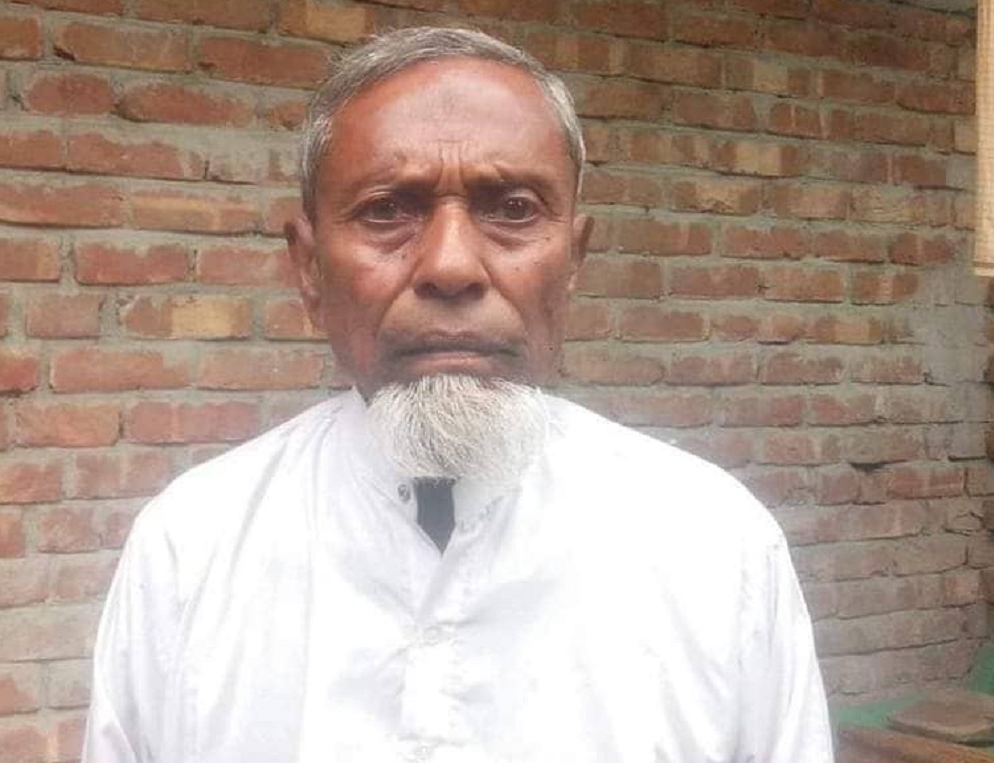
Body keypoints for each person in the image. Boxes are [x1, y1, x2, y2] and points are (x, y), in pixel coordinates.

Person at [82, 26, 833, 762]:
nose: (450, 266)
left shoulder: (715, 548)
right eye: (387, 210)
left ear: (573, 261)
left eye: (513, 209)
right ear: (309, 269)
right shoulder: (191, 550)